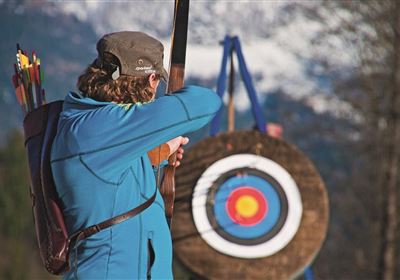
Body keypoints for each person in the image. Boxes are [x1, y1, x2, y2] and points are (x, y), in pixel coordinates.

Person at [50, 31, 221, 279]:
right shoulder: (103, 127)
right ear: (151, 79)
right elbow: (206, 103)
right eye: (156, 82)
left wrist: (153, 156)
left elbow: (112, 189)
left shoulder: (90, 123)